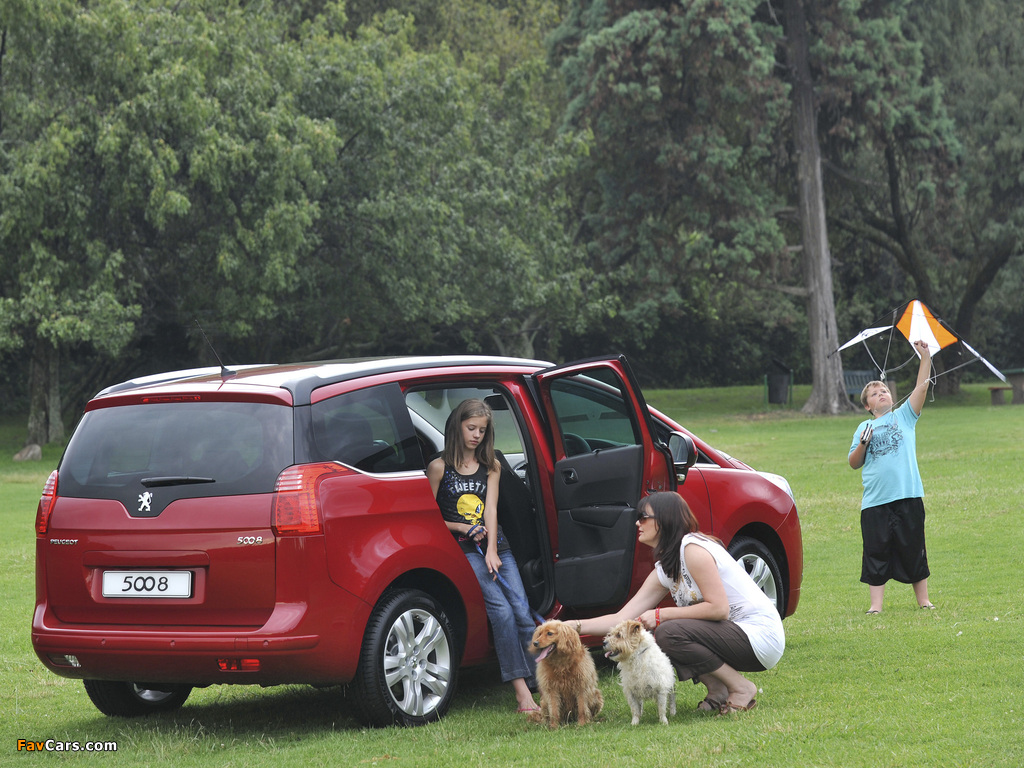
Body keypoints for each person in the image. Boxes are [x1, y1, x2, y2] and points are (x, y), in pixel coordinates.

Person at [569, 492, 784, 715]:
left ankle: (741, 688)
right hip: (734, 635)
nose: (637, 523)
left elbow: (719, 609)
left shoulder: (692, 550)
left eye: (643, 517)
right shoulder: (667, 567)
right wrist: (573, 626)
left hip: (760, 636)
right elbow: (621, 618)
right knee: (667, 632)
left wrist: (661, 615)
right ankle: (718, 690)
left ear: (664, 520)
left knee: (669, 632)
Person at [427, 398, 539, 714]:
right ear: (457, 426)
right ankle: (521, 694)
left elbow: (491, 510)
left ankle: (540, 683)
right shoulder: (439, 468)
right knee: (501, 612)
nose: (477, 435)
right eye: (471, 428)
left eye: (482, 430)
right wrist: (463, 527)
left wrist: (492, 549)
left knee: (522, 611)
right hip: (463, 549)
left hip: (495, 546)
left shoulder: (492, 466)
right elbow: (430, 519)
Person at [849, 338, 936, 614]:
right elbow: (854, 463)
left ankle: (923, 601)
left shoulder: (905, 416)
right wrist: (863, 443)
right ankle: (876, 606)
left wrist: (925, 358)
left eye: (884, 390)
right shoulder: (864, 427)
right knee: (876, 551)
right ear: (868, 406)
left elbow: (921, 388)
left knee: (914, 547)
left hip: (908, 495)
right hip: (875, 501)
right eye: (874, 394)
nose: (881, 394)